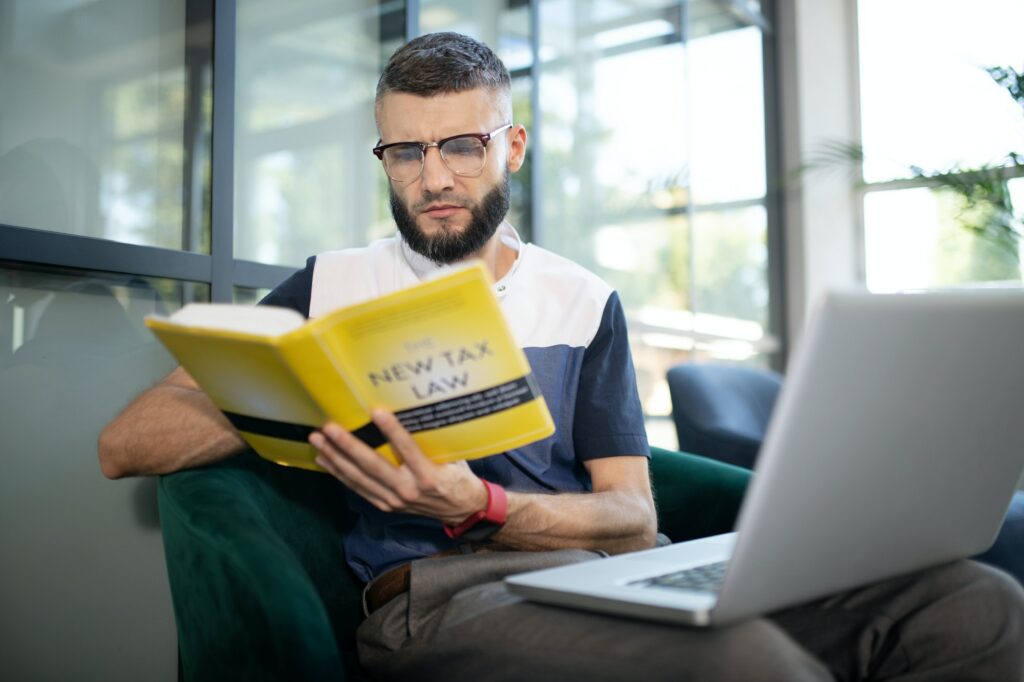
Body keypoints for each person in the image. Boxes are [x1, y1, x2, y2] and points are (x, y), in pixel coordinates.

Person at [99, 32, 1024, 681]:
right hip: (440, 602)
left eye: (463, 145)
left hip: (610, 574)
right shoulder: (328, 286)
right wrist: (299, 387)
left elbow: (630, 517)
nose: (435, 178)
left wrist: (484, 504)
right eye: (405, 152)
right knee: (740, 662)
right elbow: (125, 445)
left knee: (970, 601)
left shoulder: (582, 302)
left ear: (513, 145)